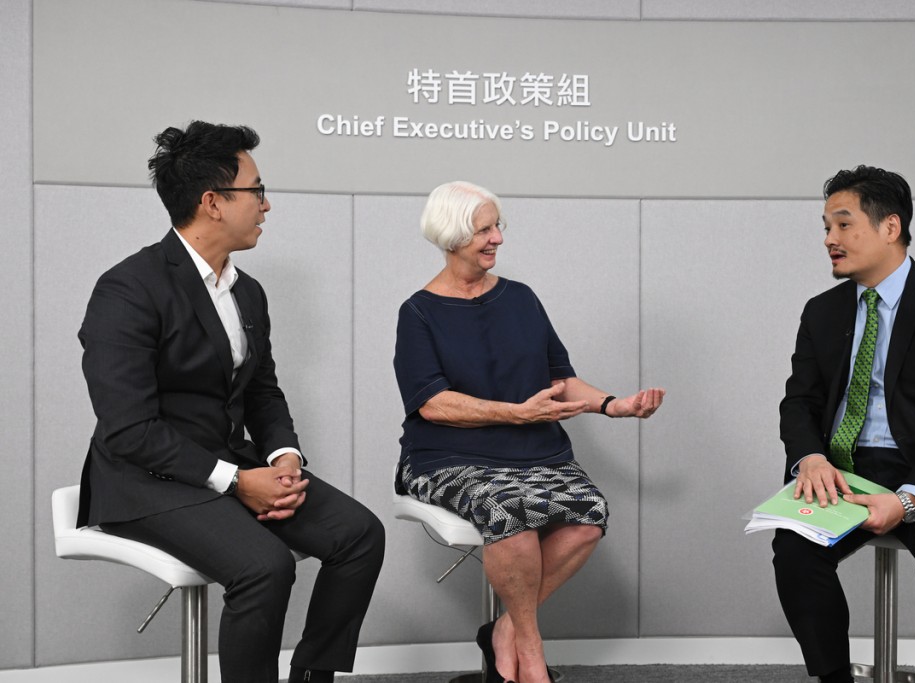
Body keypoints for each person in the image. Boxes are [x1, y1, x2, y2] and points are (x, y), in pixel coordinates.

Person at [77, 121, 385, 683]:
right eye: (257, 190)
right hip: (144, 479)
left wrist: (283, 457)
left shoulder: (247, 290)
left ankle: (311, 676)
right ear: (212, 202)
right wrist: (238, 482)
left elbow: (262, 389)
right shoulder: (128, 288)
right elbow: (127, 429)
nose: (267, 205)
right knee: (263, 567)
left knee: (359, 534)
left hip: (227, 464)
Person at [393, 181, 665, 683]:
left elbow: (560, 380)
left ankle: (505, 631)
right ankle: (531, 648)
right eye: (484, 229)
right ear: (453, 236)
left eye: (499, 226)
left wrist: (612, 405)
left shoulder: (520, 299)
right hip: (448, 456)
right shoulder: (419, 313)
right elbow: (433, 404)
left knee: (589, 515)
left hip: (536, 453)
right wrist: (515, 413)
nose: (497, 238)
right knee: (509, 510)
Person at [774, 165, 915, 683]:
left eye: (842, 224)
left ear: (890, 227)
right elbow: (799, 402)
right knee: (792, 548)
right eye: (825, 228)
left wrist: (906, 499)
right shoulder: (822, 312)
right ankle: (833, 676)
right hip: (846, 467)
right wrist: (809, 457)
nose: (829, 240)